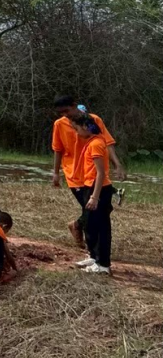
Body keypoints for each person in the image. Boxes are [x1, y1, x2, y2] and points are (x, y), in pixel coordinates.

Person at [51, 96, 125, 249]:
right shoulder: (59, 124)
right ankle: (94, 250)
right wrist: (56, 173)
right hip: (74, 174)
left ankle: (80, 228)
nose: (65, 114)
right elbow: (58, 149)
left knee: (99, 209)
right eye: (61, 112)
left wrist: (117, 164)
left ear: (74, 105)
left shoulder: (92, 121)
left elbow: (106, 142)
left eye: (66, 110)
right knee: (93, 211)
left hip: (93, 174)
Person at [77, 116, 115, 274]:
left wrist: (94, 196)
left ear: (86, 126)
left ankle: (103, 264)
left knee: (101, 227)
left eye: (77, 128)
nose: (76, 132)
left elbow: (101, 173)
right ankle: (94, 257)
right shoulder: (92, 143)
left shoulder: (97, 144)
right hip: (89, 187)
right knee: (90, 224)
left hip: (98, 189)